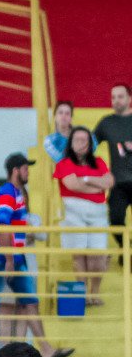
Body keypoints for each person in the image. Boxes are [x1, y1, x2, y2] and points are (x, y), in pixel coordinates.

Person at [0, 154, 70, 357]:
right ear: (16, 170)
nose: (28, 172)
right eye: (25, 168)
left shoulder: (16, 193)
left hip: (13, 256)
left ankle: (46, 349)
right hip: (2, 257)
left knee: (29, 302)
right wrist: (10, 259)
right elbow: (3, 227)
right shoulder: (7, 193)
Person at [54, 126, 113, 306]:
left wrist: (85, 179)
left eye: (85, 140)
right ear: (71, 143)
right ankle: (84, 292)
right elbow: (72, 185)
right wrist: (96, 183)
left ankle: (95, 292)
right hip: (73, 211)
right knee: (79, 255)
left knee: (98, 255)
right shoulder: (63, 163)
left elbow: (109, 181)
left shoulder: (99, 161)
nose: (82, 143)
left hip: (98, 212)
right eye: (78, 140)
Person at [91, 83, 132, 238]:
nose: (116, 100)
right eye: (113, 97)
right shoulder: (106, 122)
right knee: (115, 220)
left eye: (120, 96)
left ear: (129, 99)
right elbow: (88, 146)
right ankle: (125, 248)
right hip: (118, 183)